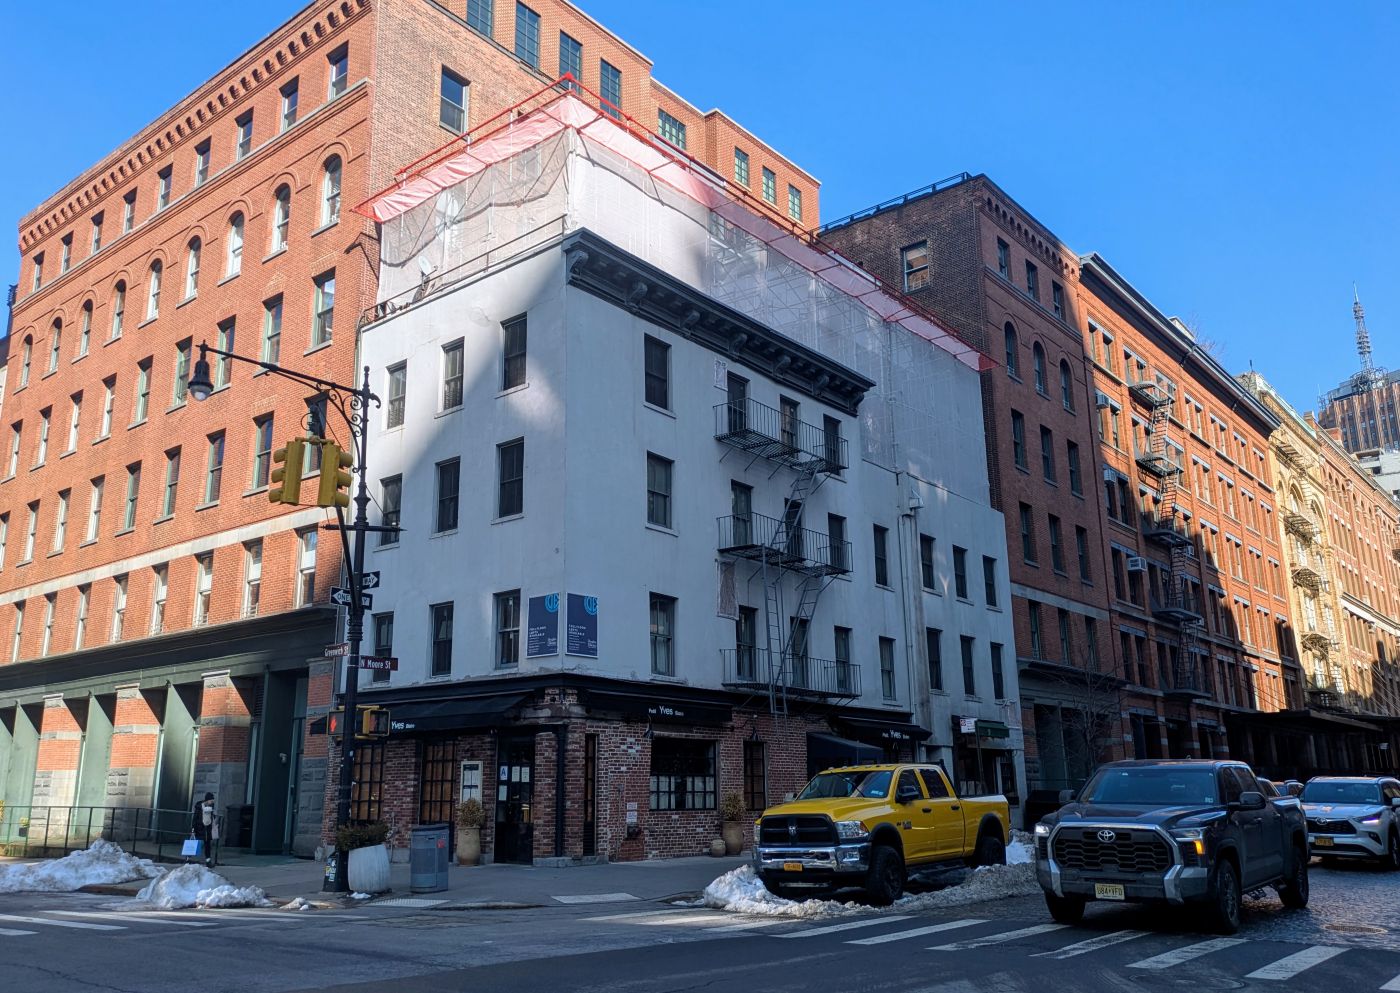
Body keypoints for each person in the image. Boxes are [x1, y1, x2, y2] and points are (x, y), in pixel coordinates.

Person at [192, 792, 217, 868]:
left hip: (207, 829)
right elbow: (195, 818)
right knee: (195, 843)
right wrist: (193, 829)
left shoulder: (211, 806)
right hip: (200, 828)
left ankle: (208, 861)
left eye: (213, 800)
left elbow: (211, 816)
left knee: (207, 845)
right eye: (211, 800)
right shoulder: (199, 807)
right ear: (207, 800)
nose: (212, 802)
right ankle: (188, 858)